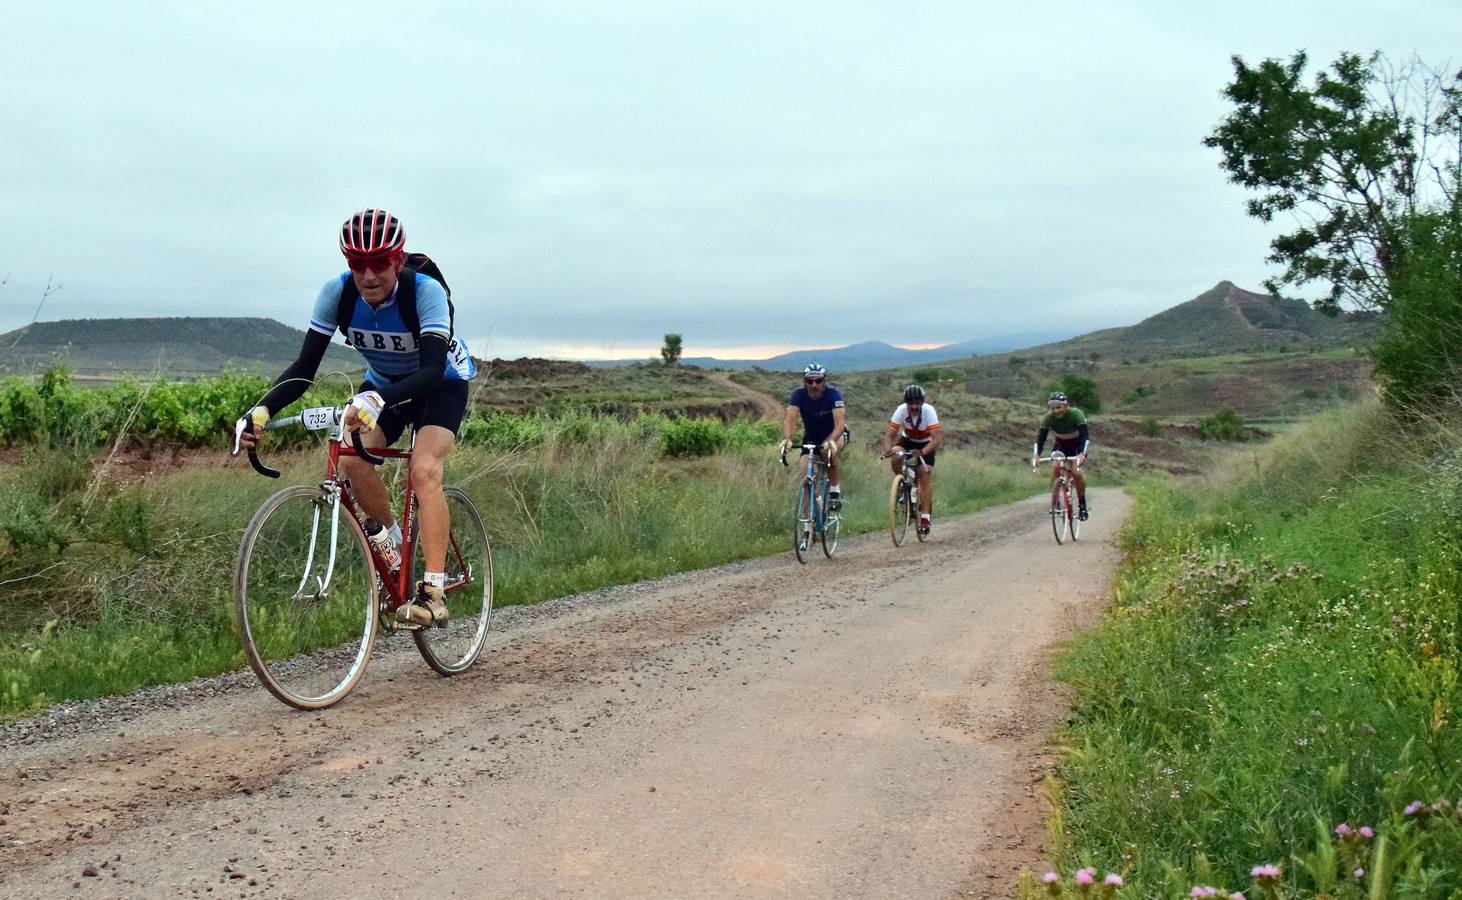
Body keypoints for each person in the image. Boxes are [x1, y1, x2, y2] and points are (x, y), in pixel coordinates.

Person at [235, 208, 476, 626]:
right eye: (357, 264)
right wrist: (261, 409)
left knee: (424, 471)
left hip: (439, 385)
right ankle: (394, 551)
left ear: (397, 261)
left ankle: (433, 592)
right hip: (384, 385)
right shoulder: (338, 294)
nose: (368, 275)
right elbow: (304, 368)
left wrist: (378, 399)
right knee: (350, 458)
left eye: (379, 263)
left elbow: (432, 369)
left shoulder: (426, 292)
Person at [778, 363, 849, 510]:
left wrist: (831, 440)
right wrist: (787, 438)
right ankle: (810, 522)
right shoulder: (798, 395)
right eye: (809, 381)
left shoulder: (833, 394)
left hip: (836, 433)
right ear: (804, 382)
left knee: (826, 451)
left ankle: (835, 491)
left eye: (818, 381)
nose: (814, 385)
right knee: (806, 475)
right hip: (811, 437)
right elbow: (790, 419)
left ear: (824, 381)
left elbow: (840, 424)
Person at [880, 384, 942, 536]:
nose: (914, 406)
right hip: (908, 440)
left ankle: (926, 517)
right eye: (911, 403)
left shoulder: (929, 411)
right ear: (906, 403)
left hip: (926, 444)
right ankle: (903, 485)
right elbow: (890, 435)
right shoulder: (901, 410)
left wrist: (922, 452)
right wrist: (888, 449)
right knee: (896, 456)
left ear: (922, 402)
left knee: (924, 474)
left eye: (917, 403)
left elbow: (937, 438)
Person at [1032, 391, 1089, 520]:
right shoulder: (1048, 418)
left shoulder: (1076, 414)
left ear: (1065, 405)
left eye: (1059, 407)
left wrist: (1083, 453)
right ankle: (1055, 500)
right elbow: (1040, 439)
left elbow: (1085, 437)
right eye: (1053, 408)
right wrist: (1037, 455)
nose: (1056, 411)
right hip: (1061, 446)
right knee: (1056, 466)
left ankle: (1082, 505)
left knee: (1076, 472)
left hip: (1077, 447)